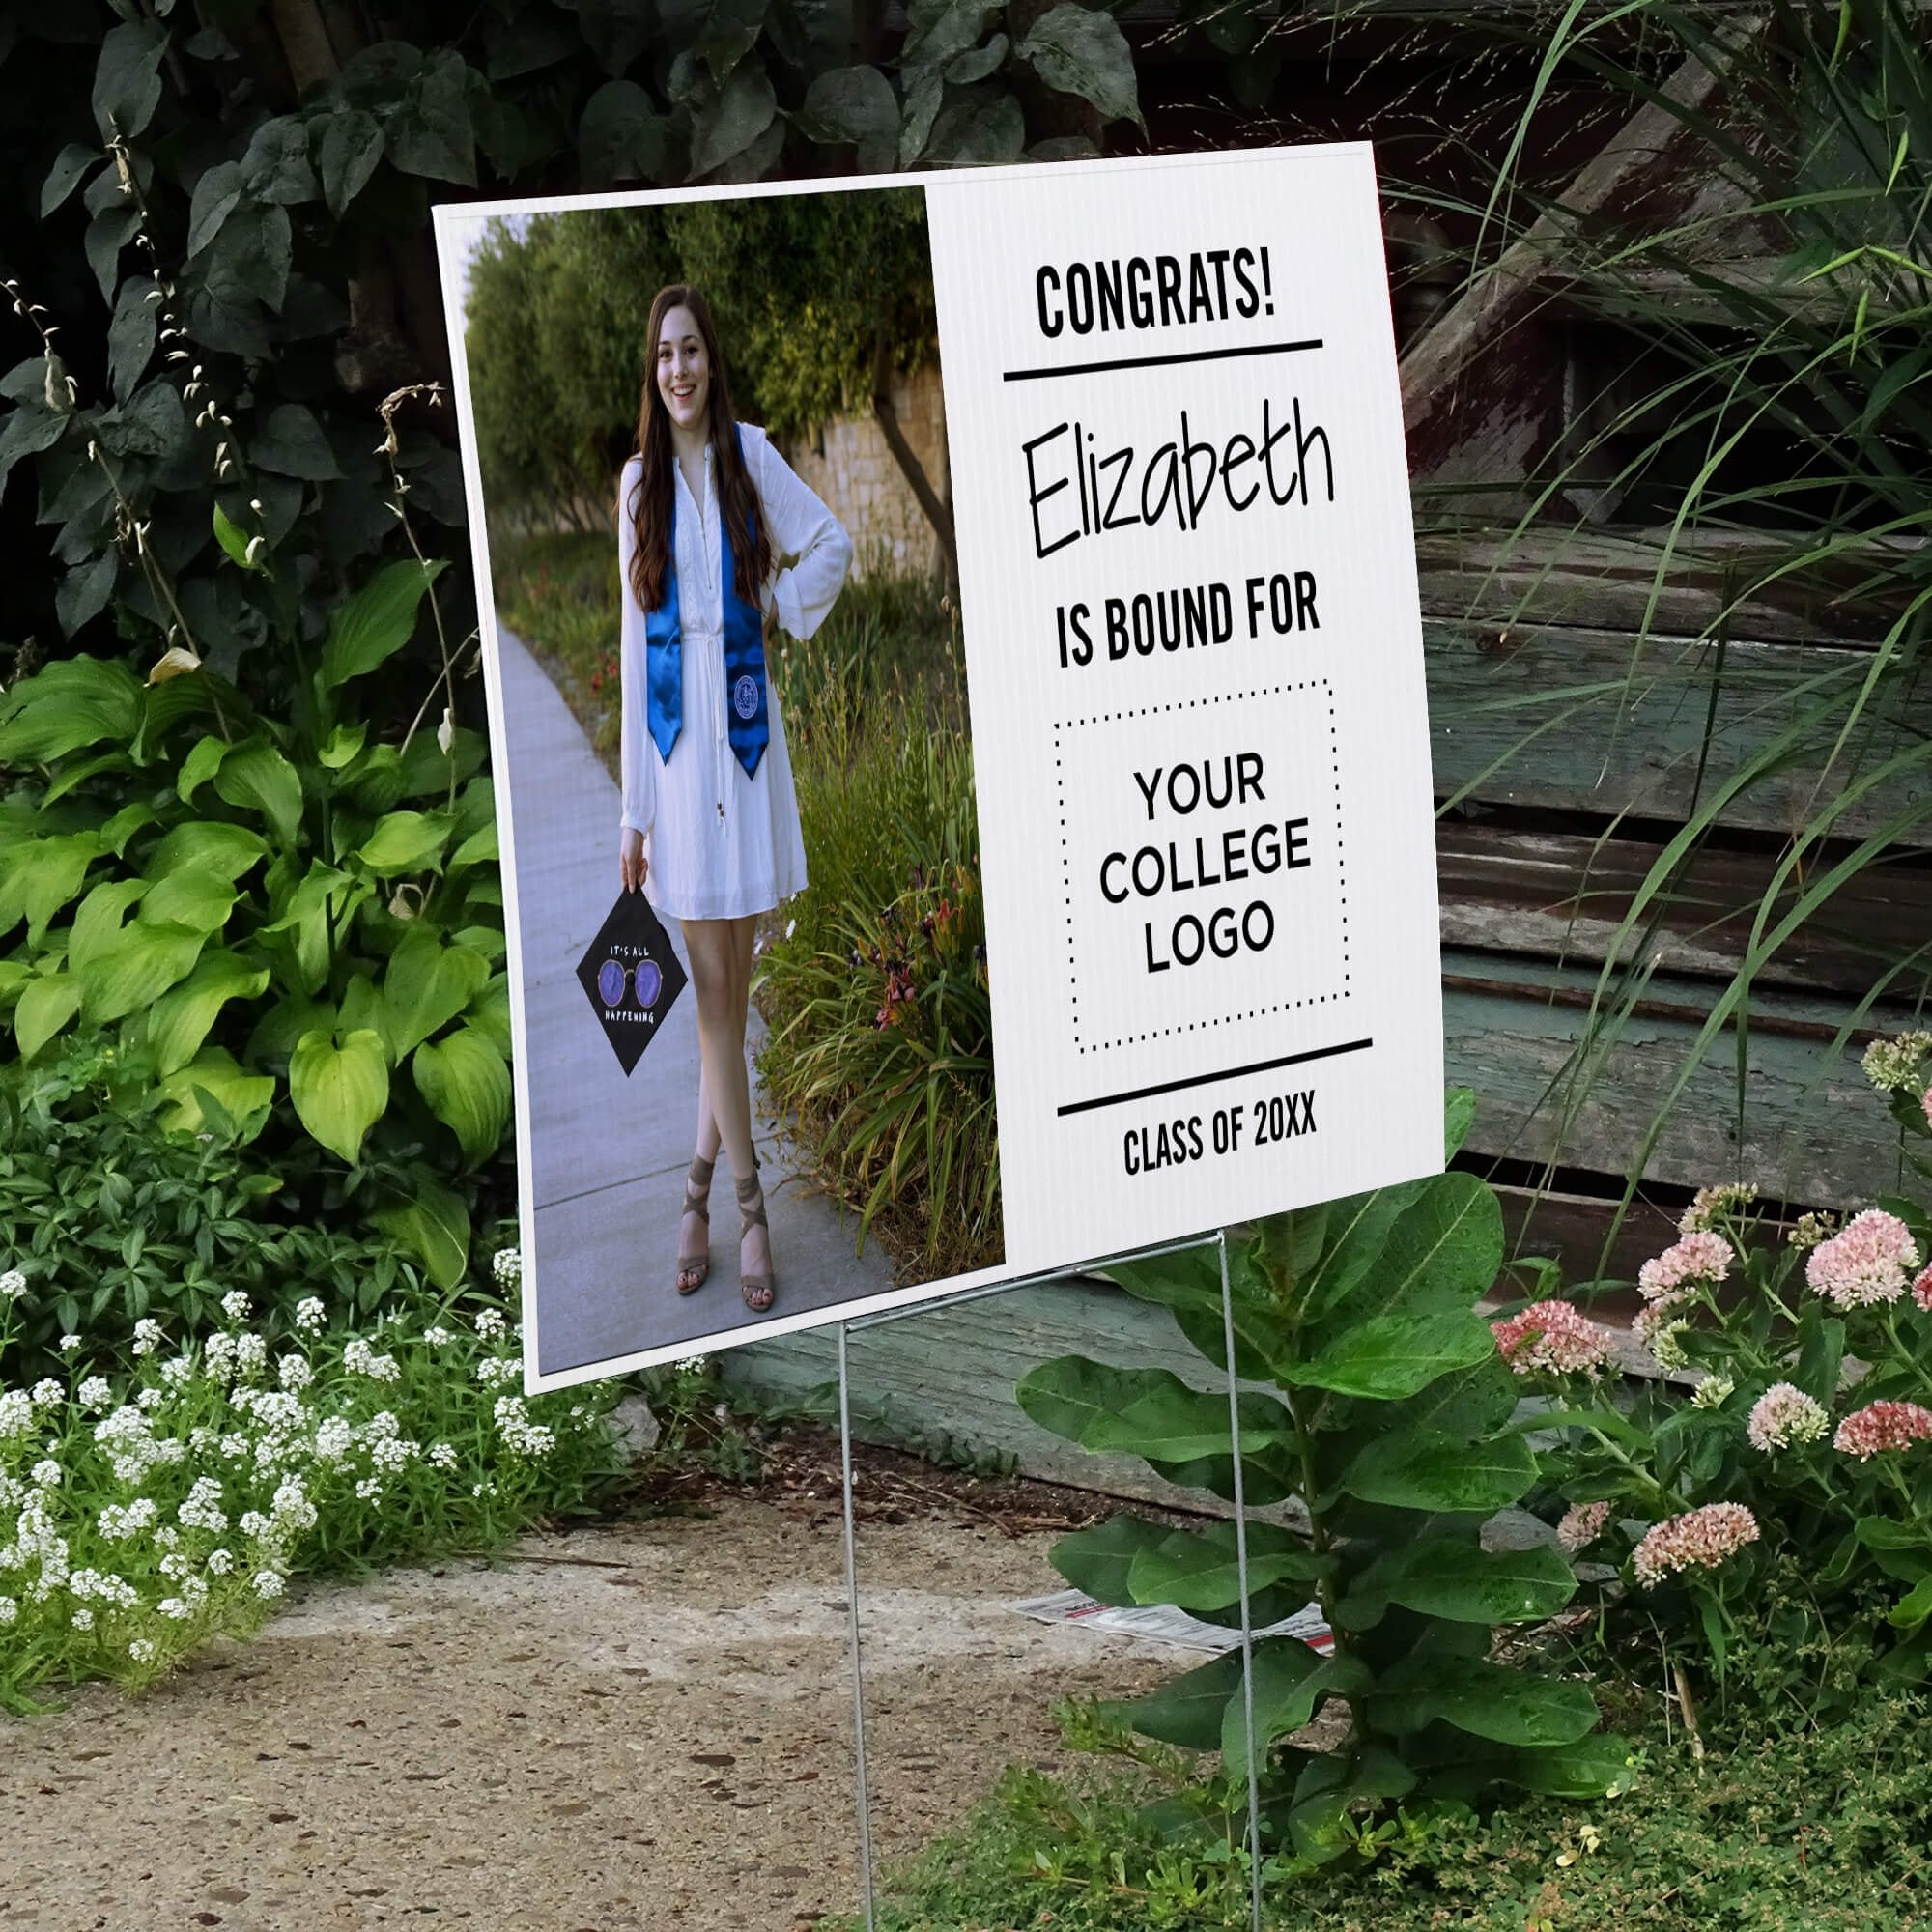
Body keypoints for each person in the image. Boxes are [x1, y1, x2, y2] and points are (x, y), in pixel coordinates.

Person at [616, 282, 853, 1315]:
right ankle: (747, 1208)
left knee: (727, 993)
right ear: (651, 370)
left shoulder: (750, 456)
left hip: (747, 755)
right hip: (676, 766)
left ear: (711, 360)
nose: (678, 368)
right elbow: (631, 655)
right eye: (663, 353)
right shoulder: (638, 484)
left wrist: (774, 602)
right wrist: (632, 810)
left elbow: (834, 545)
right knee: (713, 998)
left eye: (691, 350)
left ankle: (695, 1191)